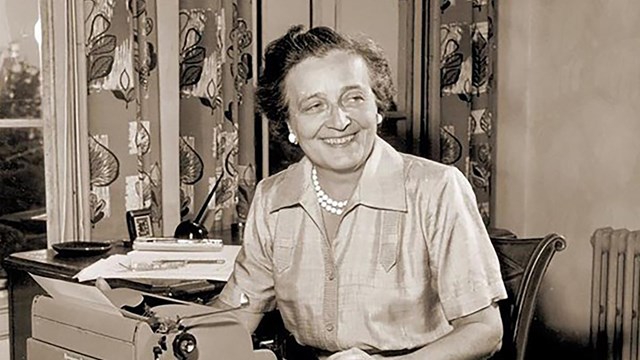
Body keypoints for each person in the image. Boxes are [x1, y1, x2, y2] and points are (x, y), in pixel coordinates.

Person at [215, 25, 507, 359]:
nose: (339, 121)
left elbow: (485, 331)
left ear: (377, 106)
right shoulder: (271, 197)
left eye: (353, 98)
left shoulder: (437, 189)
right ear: (289, 125)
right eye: (314, 106)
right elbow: (238, 314)